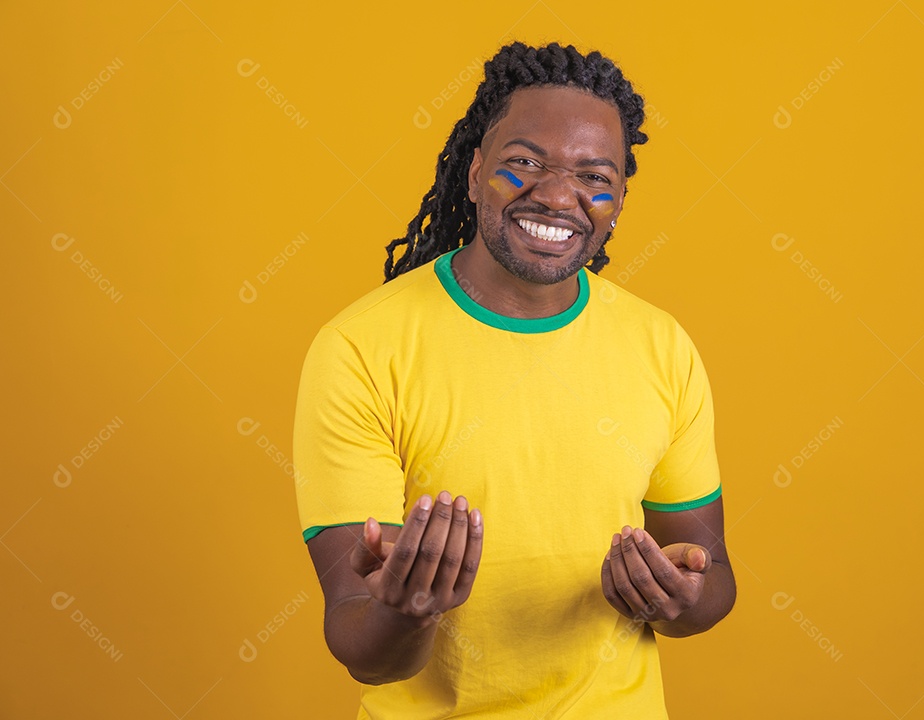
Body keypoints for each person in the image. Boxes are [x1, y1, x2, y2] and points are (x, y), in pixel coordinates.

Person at [293, 41, 737, 719]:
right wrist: (407, 612)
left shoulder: (661, 346)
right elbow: (359, 642)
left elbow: (713, 581)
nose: (558, 195)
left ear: (617, 200)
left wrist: (677, 599)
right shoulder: (359, 348)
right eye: (524, 162)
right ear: (474, 174)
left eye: (595, 176)